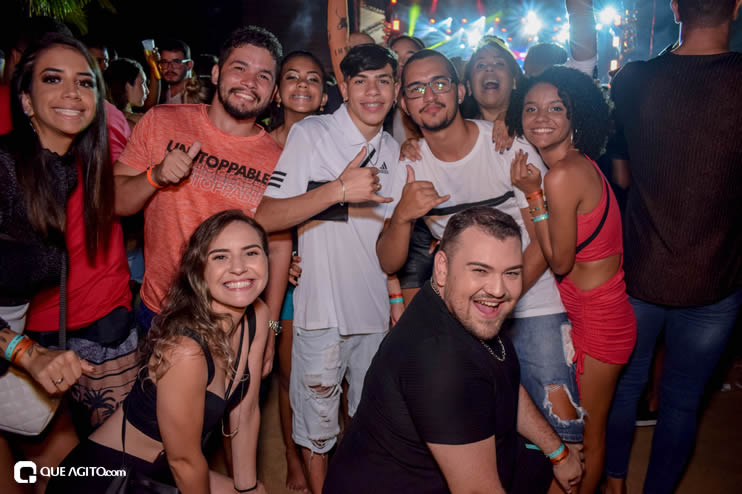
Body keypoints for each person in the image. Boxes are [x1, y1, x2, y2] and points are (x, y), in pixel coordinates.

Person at [377, 50, 586, 471]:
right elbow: (388, 261)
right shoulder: (408, 164)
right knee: (481, 432)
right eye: (416, 89)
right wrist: (401, 216)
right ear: (404, 105)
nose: (429, 96)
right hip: (464, 315)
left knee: (561, 428)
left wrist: (502, 296)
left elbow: (543, 242)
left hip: (533, 301)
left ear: (459, 91)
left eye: (439, 83)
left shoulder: (506, 146)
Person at [325, 207, 584, 494]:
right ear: (442, 268)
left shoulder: (463, 309)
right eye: (480, 270)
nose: (498, 290)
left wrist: (557, 452)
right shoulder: (441, 364)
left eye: (511, 273)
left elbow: (505, 384)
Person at [603, 1, 742, 493]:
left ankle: (614, 483)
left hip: (641, 271)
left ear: (675, 7)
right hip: (715, 278)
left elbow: (622, 175)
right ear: (737, 8)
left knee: (624, 390)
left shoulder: (634, 79)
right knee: (682, 403)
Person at [255, 43, 401, 494]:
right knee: (317, 432)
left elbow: (386, 238)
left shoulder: (395, 150)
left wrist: (395, 299)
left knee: (366, 423)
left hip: (374, 312)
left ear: (396, 90)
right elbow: (266, 216)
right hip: (321, 312)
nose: (372, 92)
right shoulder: (313, 133)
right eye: (361, 81)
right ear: (344, 89)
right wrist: (338, 189)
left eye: (382, 81)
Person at [47, 210, 272, 494]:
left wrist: (247, 488)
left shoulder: (259, 315)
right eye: (220, 257)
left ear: (267, 259)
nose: (238, 268)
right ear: (198, 271)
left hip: (168, 469)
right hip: (113, 478)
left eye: (251, 253)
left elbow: (245, 412)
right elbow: (184, 463)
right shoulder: (186, 351)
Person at [0, 33, 126, 493]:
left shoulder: (64, 167)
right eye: (53, 79)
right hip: (12, 344)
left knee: (68, 471)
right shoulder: (4, 170)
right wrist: (25, 352)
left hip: (12, 339)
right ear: (26, 100)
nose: (73, 92)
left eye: (85, 82)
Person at [505, 66, 636, 494]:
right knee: (585, 429)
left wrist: (533, 194)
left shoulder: (561, 175)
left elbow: (559, 262)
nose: (540, 118)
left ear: (576, 115)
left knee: (589, 435)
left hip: (601, 320)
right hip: (595, 311)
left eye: (555, 108)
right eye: (531, 109)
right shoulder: (578, 165)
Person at [113, 25, 283, 341]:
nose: (250, 82)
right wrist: (155, 176)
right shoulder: (161, 121)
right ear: (216, 74)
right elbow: (116, 202)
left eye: (263, 76)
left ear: (274, 92)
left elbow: (276, 246)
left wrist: (271, 329)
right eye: (240, 68)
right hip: (160, 310)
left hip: (234, 320)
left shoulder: (280, 160)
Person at [268, 49, 328, 493]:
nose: (302, 85)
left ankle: (329, 454)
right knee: (289, 375)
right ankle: (292, 456)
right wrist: (275, 258)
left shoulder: (335, 143)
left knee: (327, 378)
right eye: (292, 76)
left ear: (325, 96)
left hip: (322, 272)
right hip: (276, 280)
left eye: (313, 79)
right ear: (277, 92)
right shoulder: (259, 146)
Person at [104, 57, 149, 131]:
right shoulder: (133, 122)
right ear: (127, 85)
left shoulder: (105, 116)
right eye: (142, 83)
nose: (147, 91)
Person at [157, 38, 194, 104]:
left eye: (176, 62)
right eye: (164, 62)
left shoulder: (197, 98)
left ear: (189, 65)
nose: (169, 67)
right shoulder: (160, 95)